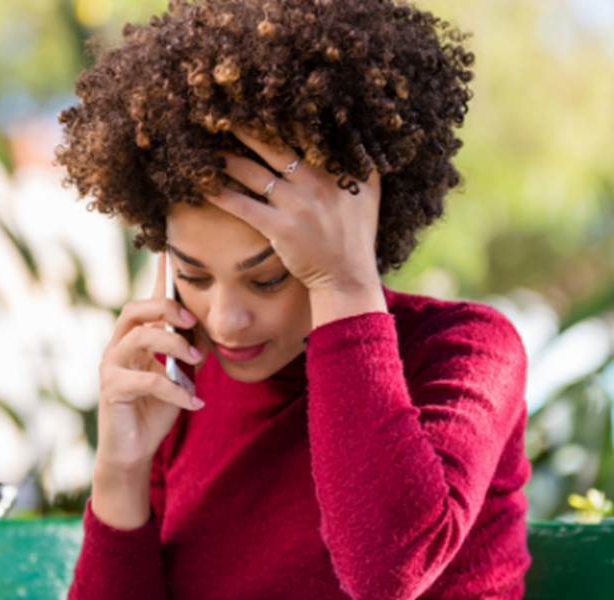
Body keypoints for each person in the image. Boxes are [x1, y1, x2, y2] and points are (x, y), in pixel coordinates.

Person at [56, 0, 531, 598]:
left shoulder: (462, 351)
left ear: (351, 234)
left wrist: (344, 285)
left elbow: (387, 572)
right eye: (195, 276)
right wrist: (120, 472)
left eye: (269, 278)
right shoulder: (179, 387)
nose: (225, 320)